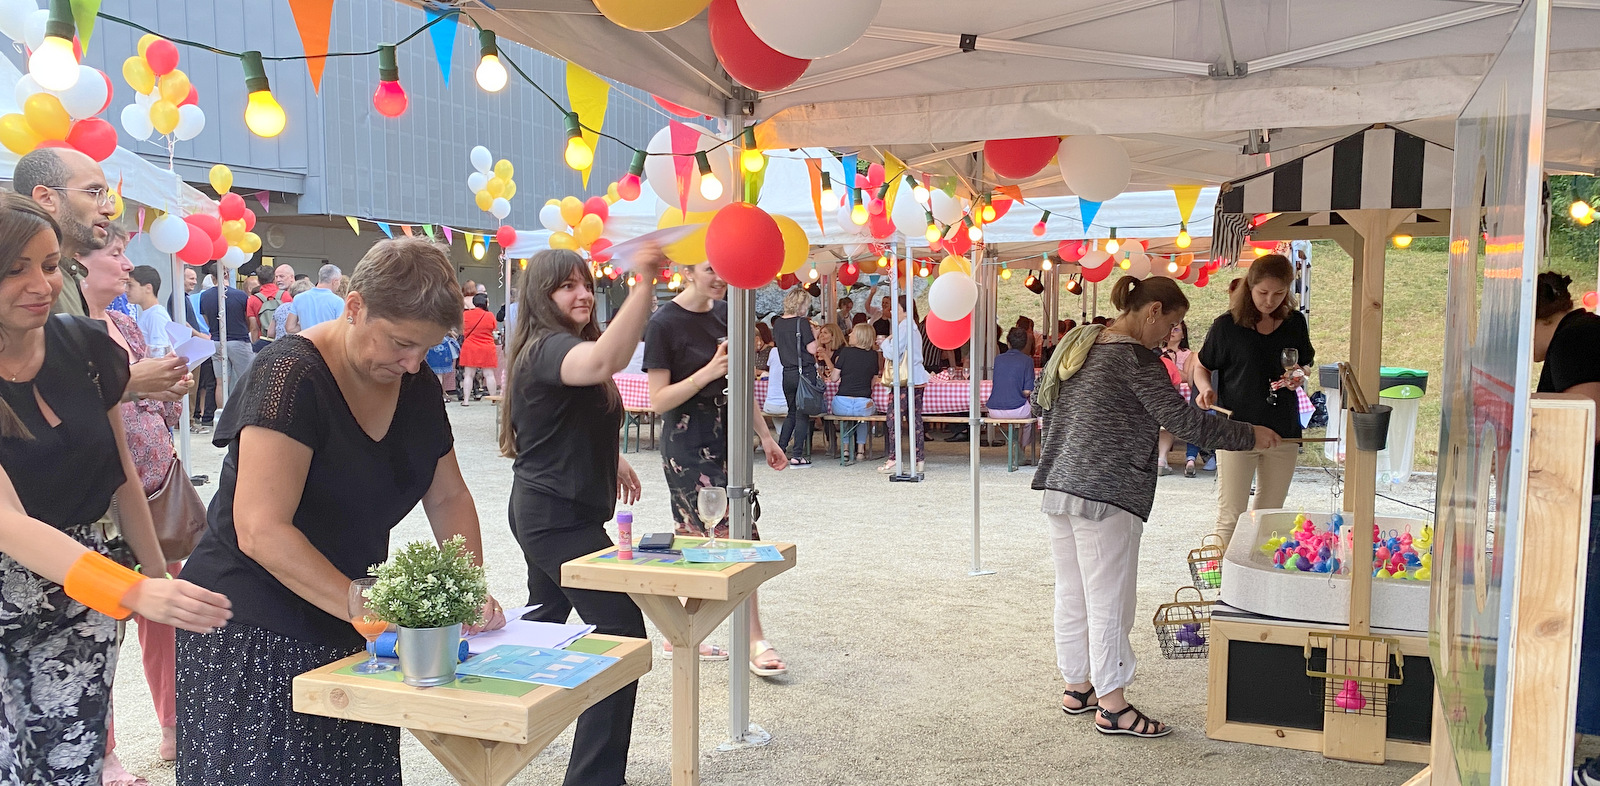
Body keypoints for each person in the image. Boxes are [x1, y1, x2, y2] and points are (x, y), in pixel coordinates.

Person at [176, 237, 505, 785]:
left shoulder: (414, 382)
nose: (413, 363)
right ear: (354, 307)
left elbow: (448, 497)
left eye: (426, 348)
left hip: (352, 623)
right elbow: (259, 529)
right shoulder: (290, 373)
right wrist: (363, 604)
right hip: (253, 629)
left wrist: (464, 589)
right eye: (402, 343)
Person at [0, 193, 230, 784]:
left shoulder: (84, 344)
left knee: (71, 762)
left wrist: (156, 578)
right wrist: (132, 588)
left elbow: (119, 471)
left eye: (49, 266)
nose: (39, 284)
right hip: (21, 580)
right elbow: (10, 523)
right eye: (13, 268)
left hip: (83, 600)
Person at [1033, 275, 1271, 738]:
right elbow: (1181, 420)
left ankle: (1077, 686)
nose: (1171, 335)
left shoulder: (1081, 342)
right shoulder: (1135, 358)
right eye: (1173, 324)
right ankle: (1114, 706)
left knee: (1073, 593)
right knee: (1110, 600)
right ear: (1153, 310)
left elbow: (1048, 406)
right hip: (1107, 493)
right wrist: (1249, 434)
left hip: (1060, 484)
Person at [498, 247, 662, 784]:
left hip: (553, 508)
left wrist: (610, 458)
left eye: (586, 284)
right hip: (556, 518)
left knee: (544, 621)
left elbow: (573, 410)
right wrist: (644, 284)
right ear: (541, 297)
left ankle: (490, 730)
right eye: (567, 287)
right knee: (619, 634)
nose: (583, 294)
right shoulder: (549, 348)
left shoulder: (557, 347)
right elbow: (601, 365)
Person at [79, 229, 196, 783]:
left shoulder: (124, 323)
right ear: (79, 264)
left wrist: (167, 388)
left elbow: (148, 393)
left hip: (150, 481)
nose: (127, 264)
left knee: (163, 607)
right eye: (114, 254)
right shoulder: (61, 329)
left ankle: (174, 724)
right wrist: (130, 384)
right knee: (96, 623)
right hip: (92, 496)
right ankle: (104, 753)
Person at [642, 260, 789, 675]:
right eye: (710, 268)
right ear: (687, 270)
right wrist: (708, 371)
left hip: (729, 433)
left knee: (701, 536)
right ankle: (754, 638)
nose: (720, 276)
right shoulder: (664, 323)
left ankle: (683, 631)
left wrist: (764, 435)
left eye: (725, 267)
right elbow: (658, 400)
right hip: (686, 440)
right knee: (731, 534)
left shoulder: (730, 313)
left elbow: (740, 383)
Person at [1190, 254, 1314, 547]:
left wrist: (1298, 374)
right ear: (1249, 287)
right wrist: (1205, 389)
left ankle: (1257, 582)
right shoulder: (1227, 326)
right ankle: (1223, 585)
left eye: (1278, 293)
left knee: (1270, 516)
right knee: (1231, 515)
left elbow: (1305, 364)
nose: (1269, 300)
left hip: (1283, 428)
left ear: (1288, 292)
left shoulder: (1294, 322)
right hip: (1236, 430)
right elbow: (1202, 366)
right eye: (1262, 293)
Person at [1530, 273, 1600, 777]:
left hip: (1594, 499)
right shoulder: (1581, 333)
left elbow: (1588, 412)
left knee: (1589, 623)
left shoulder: (1575, 337)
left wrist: (1520, 411)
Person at [11, 148, 115, 317]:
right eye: (93, 192)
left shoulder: (67, 274)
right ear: (46, 198)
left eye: (106, 196)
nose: (109, 209)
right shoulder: (18, 282)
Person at [879, 301, 929, 474]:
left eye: (896, 308)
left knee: (893, 419)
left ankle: (894, 458)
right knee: (915, 421)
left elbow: (893, 353)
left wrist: (884, 343)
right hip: (917, 377)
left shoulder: (904, 327)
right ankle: (919, 459)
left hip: (904, 379)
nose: (892, 311)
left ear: (904, 310)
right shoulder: (913, 328)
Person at [772, 288, 818, 467]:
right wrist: (815, 335)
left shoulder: (778, 324)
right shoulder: (802, 323)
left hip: (787, 373)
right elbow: (812, 349)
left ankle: (781, 448)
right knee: (802, 414)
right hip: (803, 372)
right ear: (801, 304)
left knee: (791, 412)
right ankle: (797, 455)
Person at [199, 271, 253, 410]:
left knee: (221, 382)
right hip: (239, 339)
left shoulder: (204, 296)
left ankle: (222, 415)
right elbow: (247, 318)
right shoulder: (241, 295)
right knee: (246, 379)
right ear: (227, 275)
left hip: (216, 341)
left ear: (212, 277)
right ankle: (244, 411)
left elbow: (207, 320)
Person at [1156, 321, 1204, 478]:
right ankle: (1161, 459)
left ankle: (1189, 457)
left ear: (1183, 334)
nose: (1172, 332)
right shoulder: (1156, 351)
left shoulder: (1189, 355)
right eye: (1170, 328)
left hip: (1183, 394)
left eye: (1176, 329)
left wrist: (1171, 364)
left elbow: (1187, 378)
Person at [831, 323, 881, 464]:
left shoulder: (845, 352)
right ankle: (860, 451)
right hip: (862, 404)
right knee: (862, 419)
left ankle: (846, 449)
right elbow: (873, 382)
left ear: (859, 336)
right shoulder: (873, 356)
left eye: (853, 333)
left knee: (846, 419)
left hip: (842, 402)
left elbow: (834, 378)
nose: (850, 335)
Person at [987, 326, 1038, 454]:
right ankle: (1021, 449)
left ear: (1008, 342)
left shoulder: (998, 359)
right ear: (1026, 344)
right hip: (1017, 409)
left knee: (1019, 416)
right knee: (1030, 417)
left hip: (993, 409)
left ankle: (1015, 444)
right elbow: (1028, 391)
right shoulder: (1028, 361)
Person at [459, 292, 499, 406]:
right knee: (489, 374)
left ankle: (466, 400)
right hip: (487, 346)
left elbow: (462, 329)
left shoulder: (466, 315)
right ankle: (493, 400)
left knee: (468, 375)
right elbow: (493, 328)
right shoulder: (490, 315)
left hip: (470, 346)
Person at [284, 264, 343, 333]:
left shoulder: (298, 298)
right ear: (334, 282)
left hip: (306, 341)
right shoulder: (338, 301)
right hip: (327, 342)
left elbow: (290, 328)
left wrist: (307, 326)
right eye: (339, 281)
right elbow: (341, 329)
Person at [246, 264, 295, 341]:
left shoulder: (253, 299)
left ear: (258, 281)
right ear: (274, 279)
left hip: (263, 340)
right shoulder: (286, 295)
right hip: (282, 341)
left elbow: (254, 328)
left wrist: (255, 344)